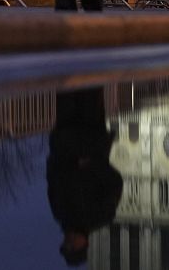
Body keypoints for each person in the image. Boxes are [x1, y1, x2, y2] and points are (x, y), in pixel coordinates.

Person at [47, 87, 123, 267]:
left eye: (65, 246)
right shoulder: (101, 217)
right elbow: (114, 182)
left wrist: (55, 158)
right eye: (70, 247)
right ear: (83, 244)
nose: (66, 242)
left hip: (65, 141)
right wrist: (91, 163)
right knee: (90, 91)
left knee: (65, 91)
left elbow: (51, 181)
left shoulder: (60, 214)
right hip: (90, 140)